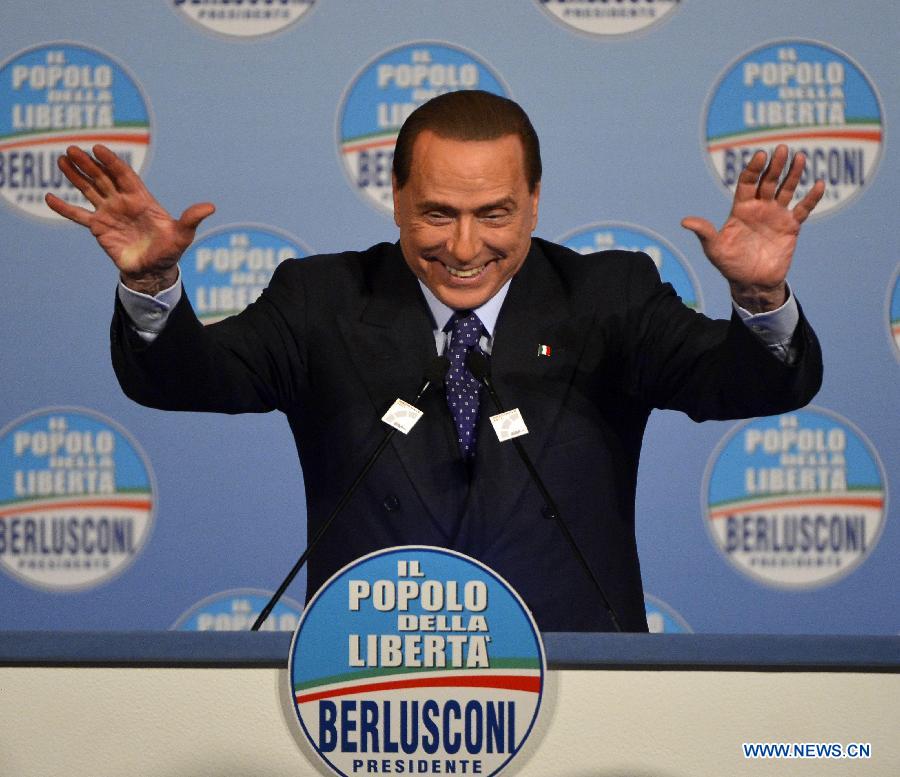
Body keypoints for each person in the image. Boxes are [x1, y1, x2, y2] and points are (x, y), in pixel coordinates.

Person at [46, 90, 824, 632]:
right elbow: (187, 378)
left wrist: (761, 298)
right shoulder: (323, 300)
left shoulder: (607, 298)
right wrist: (151, 282)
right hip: (370, 690)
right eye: (437, 213)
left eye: (494, 215)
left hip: (581, 689)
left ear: (535, 201)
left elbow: (742, 383)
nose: (463, 248)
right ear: (394, 196)